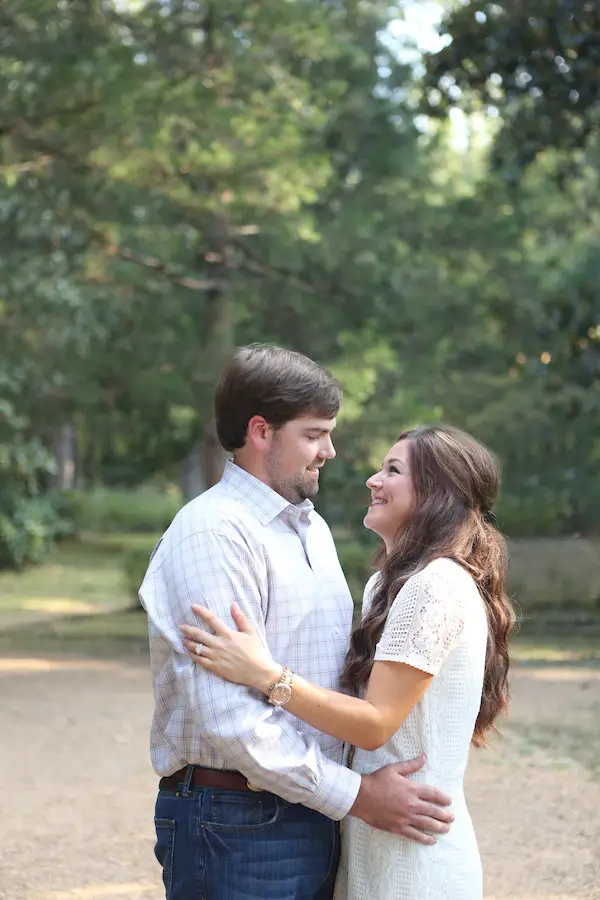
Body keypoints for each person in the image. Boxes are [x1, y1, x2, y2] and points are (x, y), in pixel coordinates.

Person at [139, 345, 454, 900]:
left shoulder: (311, 530)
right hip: (235, 821)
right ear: (261, 431)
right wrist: (356, 795)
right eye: (314, 434)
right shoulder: (213, 535)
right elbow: (230, 722)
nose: (330, 451)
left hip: (309, 813)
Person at [181, 423, 516, 900]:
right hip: (370, 841)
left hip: (414, 853)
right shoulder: (388, 586)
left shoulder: (435, 587)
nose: (372, 480)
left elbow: (376, 723)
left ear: (438, 494)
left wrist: (264, 673)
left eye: (393, 470)